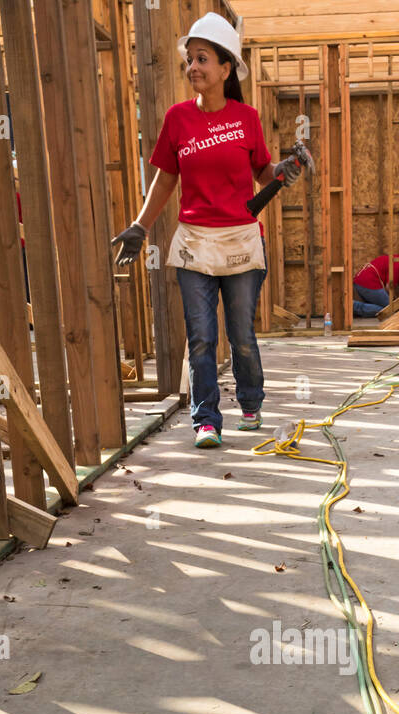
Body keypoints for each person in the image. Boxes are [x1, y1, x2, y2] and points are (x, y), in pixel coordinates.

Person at [111, 14, 302, 449]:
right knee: (201, 338)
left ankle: (251, 404)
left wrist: (282, 171)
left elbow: (262, 171)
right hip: (195, 242)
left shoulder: (246, 117)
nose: (193, 67)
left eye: (202, 59)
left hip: (240, 240)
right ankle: (206, 421)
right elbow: (164, 179)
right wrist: (141, 225)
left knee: (241, 336)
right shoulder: (178, 120)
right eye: (189, 60)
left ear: (225, 68)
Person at [352, 250, 399, 317]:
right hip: (369, 283)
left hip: (363, 281)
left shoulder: (398, 261)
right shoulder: (398, 267)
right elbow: (389, 287)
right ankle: (353, 306)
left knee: (391, 308)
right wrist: (395, 303)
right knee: (389, 310)